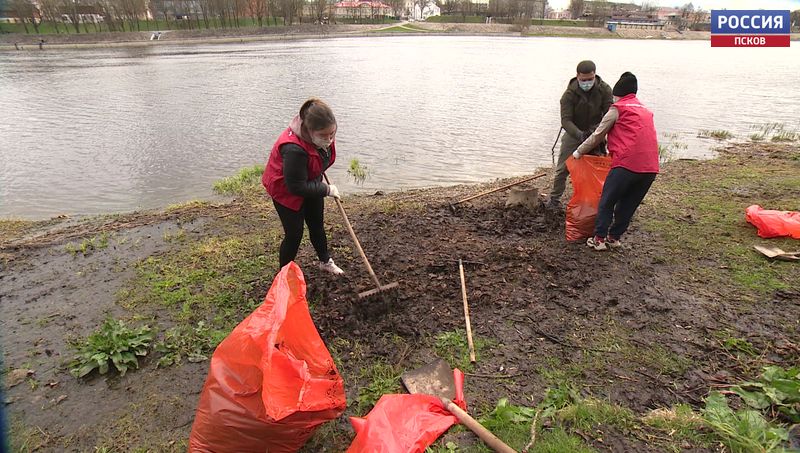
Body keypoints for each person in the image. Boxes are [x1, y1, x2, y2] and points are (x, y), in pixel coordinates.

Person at [572, 72, 659, 251]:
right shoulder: (645, 111)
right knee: (629, 204)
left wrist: (579, 152)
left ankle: (599, 239)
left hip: (626, 165)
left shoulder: (617, 108)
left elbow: (597, 135)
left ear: (617, 94)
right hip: (650, 168)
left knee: (607, 200)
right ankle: (614, 238)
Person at [262, 98, 345, 275]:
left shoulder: (323, 137)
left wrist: (318, 174)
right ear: (309, 130)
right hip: (286, 190)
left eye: (332, 134)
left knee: (317, 225)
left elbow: (318, 161)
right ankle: (283, 276)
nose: (329, 139)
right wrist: (326, 189)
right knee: (294, 234)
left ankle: (325, 261)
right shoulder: (293, 149)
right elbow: (296, 187)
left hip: (309, 180)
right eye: (324, 136)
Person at [548, 60, 613, 208]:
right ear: (577, 76)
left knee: (598, 168)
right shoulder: (569, 94)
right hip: (574, 133)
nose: (587, 82)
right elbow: (565, 120)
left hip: (596, 133)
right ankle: (554, 199)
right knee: (562, 169)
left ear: (594, 75)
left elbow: (609, 114)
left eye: (590, 79)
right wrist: (580, 135)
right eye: (583, 80)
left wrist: (597, 132)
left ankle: (597, 200)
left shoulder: (605, 90)